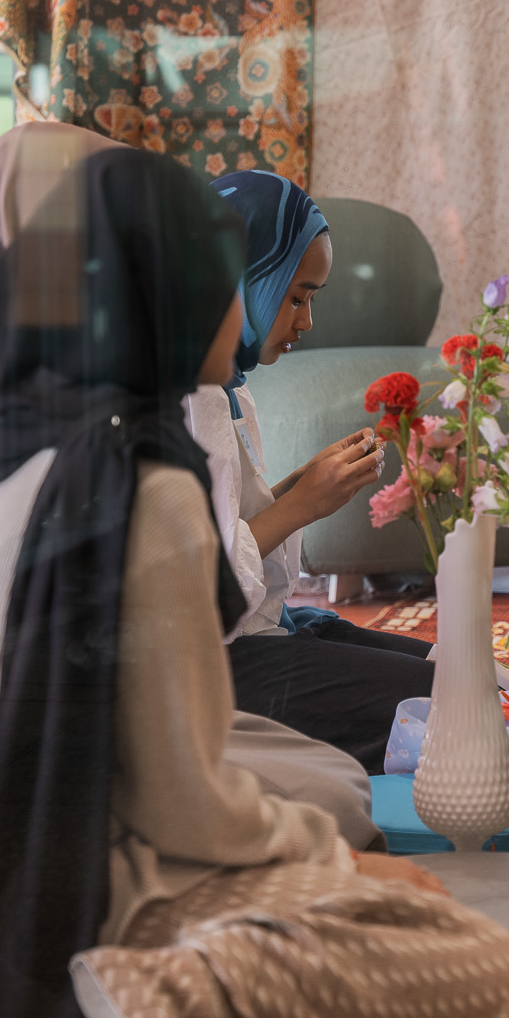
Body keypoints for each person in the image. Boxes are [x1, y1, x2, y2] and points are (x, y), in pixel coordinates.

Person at [0, 146, 509, 1018]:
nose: (259, 314)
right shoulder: (145, 481)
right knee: (477, 963)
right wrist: (344, 872)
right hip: (68, 925)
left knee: (338, 822)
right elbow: (182, 806)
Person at [0, 125, 379, 918]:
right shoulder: (35, 414)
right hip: (35, 782)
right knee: (332, 811)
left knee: (329, 783)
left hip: (48, 748)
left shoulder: (47, 390)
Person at [191, 170, 435, 773]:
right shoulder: (184, 398)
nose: (306, 322)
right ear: (246, 278)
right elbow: (194, 594)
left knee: (451, 672)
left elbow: (223, 527)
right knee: (442, 707)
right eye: (296, 296)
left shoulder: (229, 389)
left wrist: (296, 489)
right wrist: (301, 507)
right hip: (205, 673)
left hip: (254, 633)